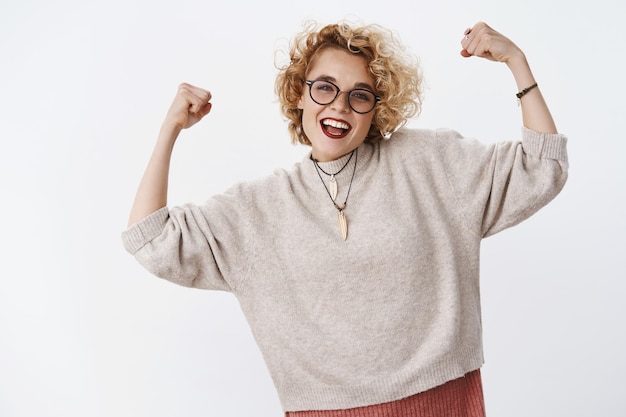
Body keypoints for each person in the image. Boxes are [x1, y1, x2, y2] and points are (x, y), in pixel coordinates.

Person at [122, 20, 568, 417]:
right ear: (300, 93)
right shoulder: (258, 208)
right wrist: (170, 130)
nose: (339, 107)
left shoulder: (426, 162)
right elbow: (150, 240)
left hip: (444, 401)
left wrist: (517, 63)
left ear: (377, 107)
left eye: (360, 96)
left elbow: (540, 167)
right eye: (324, 88)